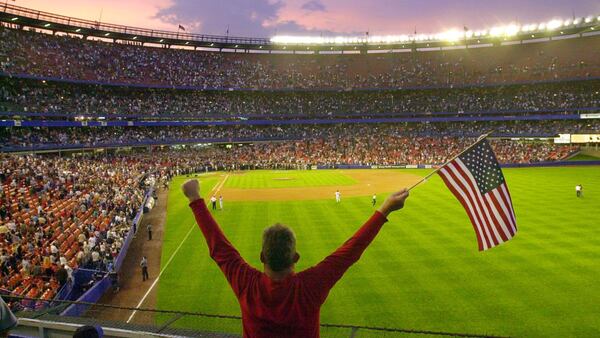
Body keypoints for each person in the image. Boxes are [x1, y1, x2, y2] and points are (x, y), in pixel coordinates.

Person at [182, 179, 409, 337]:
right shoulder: (310, 286)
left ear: (262, 256)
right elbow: (350, 251)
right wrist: (384, 210)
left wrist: (195, 198)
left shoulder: (246, 284)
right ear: (296, 257)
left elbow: (220, 249)